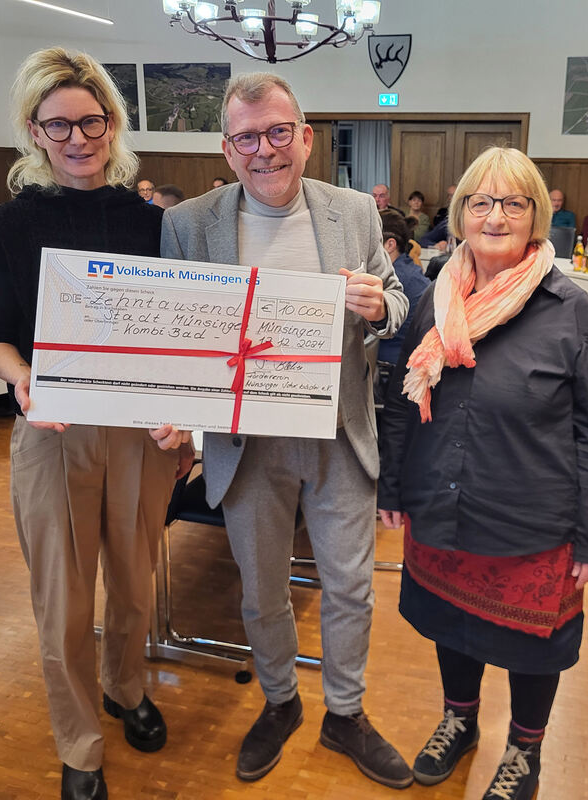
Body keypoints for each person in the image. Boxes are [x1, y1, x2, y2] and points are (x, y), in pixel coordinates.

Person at [160, 72, 412, 789]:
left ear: (305, 139)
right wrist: (175, 416)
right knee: (261, 590)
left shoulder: (354, 212)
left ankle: (345, 713)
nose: (263, 150)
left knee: (351, 588)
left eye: (277, 133)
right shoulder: (188, 224)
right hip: (245, 443)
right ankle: (279, 700)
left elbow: (396, 301)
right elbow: (174, 333)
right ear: (226, 149)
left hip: (338, 433)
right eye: (246, 138)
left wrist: (378, 308)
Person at [0, 47, 191, 800]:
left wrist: (183, 420)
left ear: (112, 124)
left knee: (133, 584)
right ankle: (78, 744)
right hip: (52, 431)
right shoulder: (3, 227)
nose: (77, 138)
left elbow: (176, 335)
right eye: (58, 124)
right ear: (34, 131)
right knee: (63, 600)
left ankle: (126, 688)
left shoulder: (155, 224)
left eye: (91, 121)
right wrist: (22, 376)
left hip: (139, 433)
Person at [378, 147, 588, 800]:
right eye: (481, 202)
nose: (494, 217)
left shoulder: (570, 310)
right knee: (451, 624)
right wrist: (392, 485)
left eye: (513, 203)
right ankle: (459, 722)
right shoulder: (436, 296)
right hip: (441, 502)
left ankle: (524, 751)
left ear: (536, 215)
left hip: (531, 522)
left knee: (531, 646)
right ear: (460, 213)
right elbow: (403, 401)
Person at [377, 215, 430, 366]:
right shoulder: (410, 269)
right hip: (409, 358)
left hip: (391, 363)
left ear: (390, 245)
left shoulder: (393, 280)